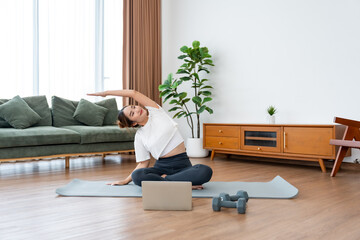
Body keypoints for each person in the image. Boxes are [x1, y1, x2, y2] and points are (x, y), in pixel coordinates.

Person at [87, 90, 213, 189]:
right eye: (132, 113)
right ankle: (178, 183)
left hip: (183, 166)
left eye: (133, 107)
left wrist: (106, 93)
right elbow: (143, 163)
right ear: (133, 124)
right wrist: (126, 180)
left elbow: (133, 93)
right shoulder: (140, 137)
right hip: (161, 168)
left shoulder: (157, 113)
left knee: (204, 171)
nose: (137, 109)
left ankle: (167, 182)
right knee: (138, 176)